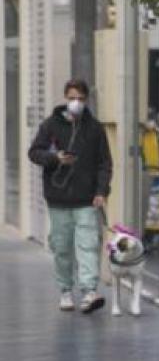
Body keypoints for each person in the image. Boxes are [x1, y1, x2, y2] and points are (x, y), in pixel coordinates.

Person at [27, 79, 113, 313]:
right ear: (65, 97)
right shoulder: (50, 125)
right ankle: (65, 290)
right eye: (72, 98)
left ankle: (89, 291)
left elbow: (105, 164)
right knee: (62, 247)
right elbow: (34, 152)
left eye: (81, 99)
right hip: (58, 199)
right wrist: (55, 158)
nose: (76, 102)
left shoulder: (95, 128)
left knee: (88, 245)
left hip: (87, 200)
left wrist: (101, 191)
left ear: (87, 100)